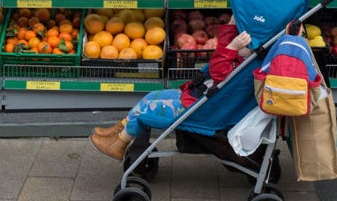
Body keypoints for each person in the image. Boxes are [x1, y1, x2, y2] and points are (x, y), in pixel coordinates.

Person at [90, 15, 252, 161]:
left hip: (200, 109)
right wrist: (231, 28)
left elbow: (218, 70)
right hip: (199, 98)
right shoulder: (246, 59)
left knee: (146, 109)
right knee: (152, 96)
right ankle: (118, 132)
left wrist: (231, 47)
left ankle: (119, 144)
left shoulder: (241, 67)